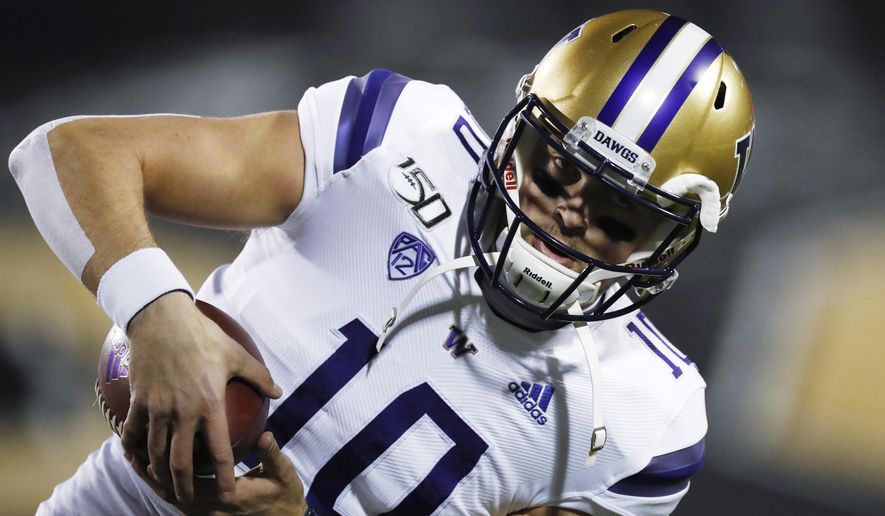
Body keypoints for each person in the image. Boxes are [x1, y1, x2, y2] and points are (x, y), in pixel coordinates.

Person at [9, 9, 754, 515]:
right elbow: (66, 153)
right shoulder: (397, 138)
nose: (569, 213)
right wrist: (155, 312)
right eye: (556, 168)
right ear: (517, 129)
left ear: (668, 238)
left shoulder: (646, 420)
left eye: (620, 213)